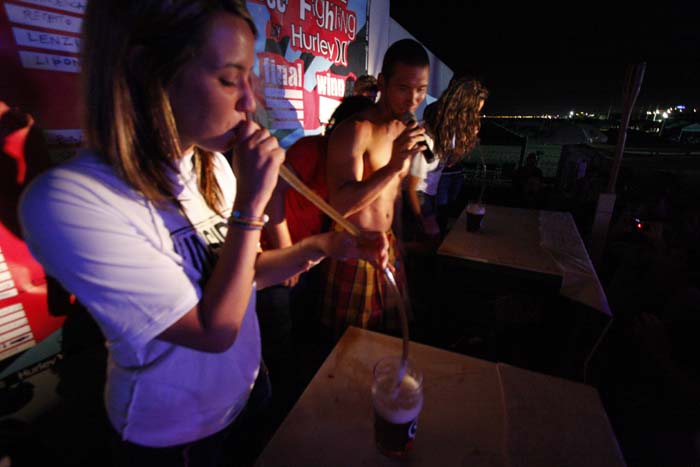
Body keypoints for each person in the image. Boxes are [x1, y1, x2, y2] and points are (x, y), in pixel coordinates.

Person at [18, 1, 388, 465]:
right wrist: (251, 205)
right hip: (177, 435)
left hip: (249, 393)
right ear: (148, 72)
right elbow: (214, 330)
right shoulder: (69, 200)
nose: (249, 102)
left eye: (250, 78)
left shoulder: (210, 165)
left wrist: (326, 245)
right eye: (230, 79)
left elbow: (241, 274)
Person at [323, 39, 431, 338]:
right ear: (382, 83)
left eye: (421, 90)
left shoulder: (402, 131)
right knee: (350, 346)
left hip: (389, 246)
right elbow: (339, 206)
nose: (413, 100)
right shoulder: (356, 131)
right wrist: (393, 166)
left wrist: (401, 241)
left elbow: (393, 196)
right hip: (353, 249)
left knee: (391, 341)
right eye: (403, 88)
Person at [406, 76, 488, 241]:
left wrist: (467, 141)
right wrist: (423, 221)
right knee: (431, 240)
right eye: (473, 113)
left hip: (430, 194)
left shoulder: (446, 135)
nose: (476, 119)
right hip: (417, 198)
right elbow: (410, 188)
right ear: (459, 111)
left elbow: (450, 161)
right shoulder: (426, 138)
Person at [433, 77, 489, 236]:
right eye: (474, 110)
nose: (476, 115)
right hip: (435, 178)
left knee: (448, 210)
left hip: (454, 172)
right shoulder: (437, 118)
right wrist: (462, 145)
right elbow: (444, 159)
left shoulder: (464, 125)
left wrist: (468, 141)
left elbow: (455, 158)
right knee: (440, 212)